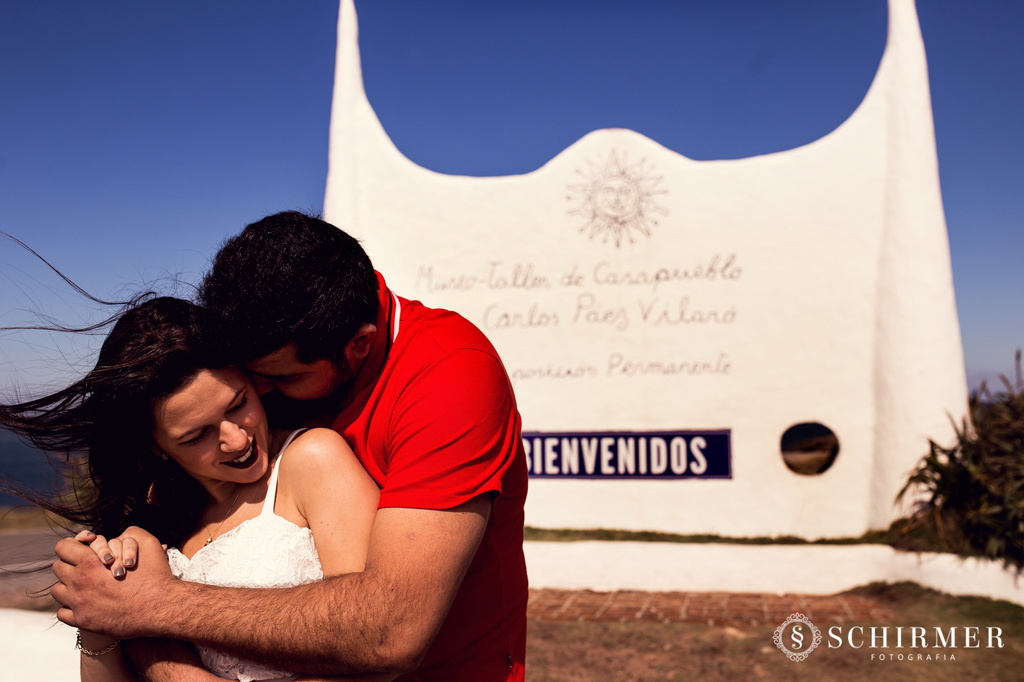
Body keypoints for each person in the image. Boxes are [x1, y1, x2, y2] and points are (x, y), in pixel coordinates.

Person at [51, 212, 530, 681]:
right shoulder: (273, 355)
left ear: (359, 345)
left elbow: (389, 631)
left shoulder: (449, 379)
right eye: (246, 378)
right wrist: (113, 609)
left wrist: (151, 609)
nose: (259, 395)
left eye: (275, 379)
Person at [0, 296, 387, 682]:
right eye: (198, 435)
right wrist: (97, 614)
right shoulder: (156, 513)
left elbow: (374, 649)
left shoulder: (312, 458)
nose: (237, 440)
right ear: (156, 446)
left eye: (238, 404)